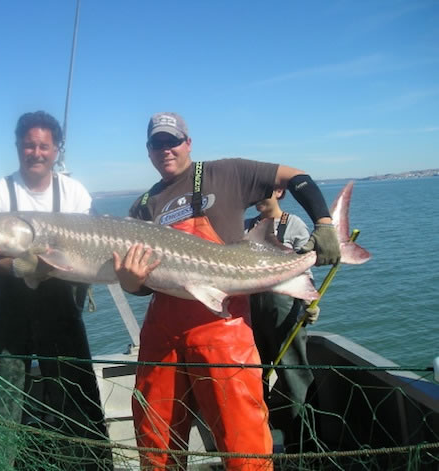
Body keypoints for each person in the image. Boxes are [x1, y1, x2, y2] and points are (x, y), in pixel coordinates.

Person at [113, 112, 340, 470]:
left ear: (188, 143)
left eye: (173, 141)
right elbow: (142, 286)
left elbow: (295, 176)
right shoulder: (143, 205)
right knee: (155, 440)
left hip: (223, 328)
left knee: (243, 444)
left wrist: (324, 223)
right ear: (148, 150)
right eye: (157, 143)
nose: (166, 149)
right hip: (163, 332)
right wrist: (129, 282)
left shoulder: (226, 173)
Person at [0, 110, 112, 470]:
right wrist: (25, 268)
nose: (36, 152)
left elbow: (94, 244)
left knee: (76, 397)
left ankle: (87, 464)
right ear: (17, 147)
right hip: (6, 315)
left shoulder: (73, 192)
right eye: (29, 145)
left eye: (44, 146)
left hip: (61, 310)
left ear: (57, 150)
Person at [245, 189, 320, 449]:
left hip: (286, 311)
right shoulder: (246, 227)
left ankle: (306, 446)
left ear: (279, 192)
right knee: (253, 378)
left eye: (261, 192)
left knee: (295, 377)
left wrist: (311, 304)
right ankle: (260, 444)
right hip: (250, 315)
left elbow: (304, 270)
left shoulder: (294, 225)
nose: (255, 198)